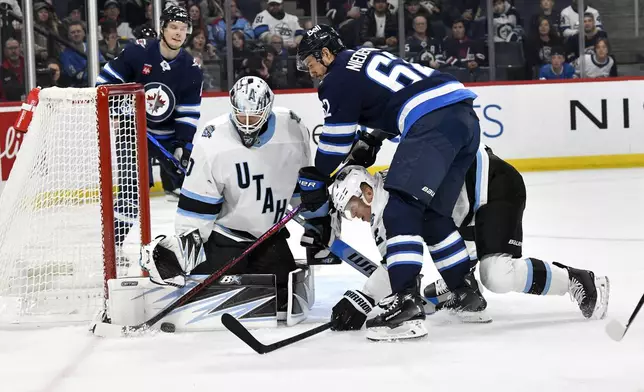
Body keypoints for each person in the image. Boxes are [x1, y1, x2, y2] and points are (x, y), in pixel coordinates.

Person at [296, 24, 481, 341]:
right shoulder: (364, 57)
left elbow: (337, 140)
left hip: (432, 119)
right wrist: (372, 138)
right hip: (464, 118)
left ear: (325, 53)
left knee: (398, 210)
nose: (309, 71)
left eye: (309, 62)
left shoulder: (336, 76)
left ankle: (405, 303)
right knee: (433, 215)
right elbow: (395, 93)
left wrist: (315, 177)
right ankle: (465, 292)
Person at [327, 161, 610, 331]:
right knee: (462, 264)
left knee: (497, 274)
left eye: (352, 209)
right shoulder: (384, 195)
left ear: (365, 192)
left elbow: (395, 265)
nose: (355, 217)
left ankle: (579, 279)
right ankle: (462, 285)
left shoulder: (388, 203)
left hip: (491, 188)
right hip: (465, 208)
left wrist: (361, 300)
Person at [141, 76, 311, 312]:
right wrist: (184, 252)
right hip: (224, 239)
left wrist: (317, 223)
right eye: (242, 115)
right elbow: (197, 206)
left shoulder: (292, 128)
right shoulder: (213, 140)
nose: (248, 123)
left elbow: (300, 188)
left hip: (269, 236)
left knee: (284, 300)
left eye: (255, 115)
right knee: (203, 299)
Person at [96, 5, 203, 256]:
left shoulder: (191, 68)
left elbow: (187, 113)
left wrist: (182, 146)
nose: (178, 33)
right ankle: (113, 247)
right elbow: (104, 84)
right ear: (162, 28)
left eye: (183, 29)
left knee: (192, 189)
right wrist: (121, 106)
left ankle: (191, 248)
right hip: (132, 133)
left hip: (165, 139)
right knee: (132, 191)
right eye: (174, 27)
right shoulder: (137, 52)